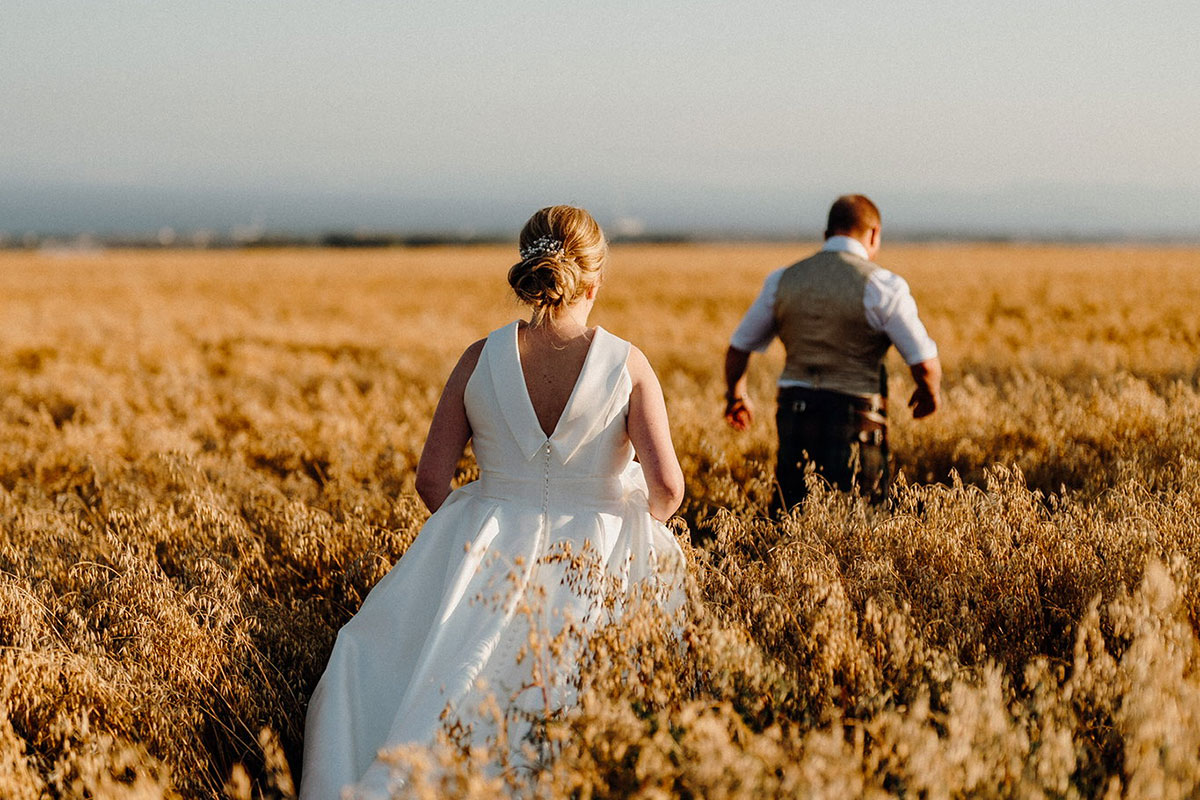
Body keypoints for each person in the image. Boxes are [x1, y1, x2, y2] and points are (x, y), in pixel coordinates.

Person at [299, 205, 686, 799]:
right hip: (596, 559)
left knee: (434, 684)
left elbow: (432, 479)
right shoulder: (627, 364)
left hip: (487, 548)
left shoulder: (480, 358)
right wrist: (629, 526)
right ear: (595, 276)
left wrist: (481, 524)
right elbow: (667, 490)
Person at [723, 194, 941, 508]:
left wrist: (736, 395)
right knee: (862, 517)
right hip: (856, 419)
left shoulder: (783, 280)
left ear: (826, 235)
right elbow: (924, 365)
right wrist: (929, 393)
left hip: (793, 414)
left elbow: (739, 348)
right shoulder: (882, 285)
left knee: (790, 513)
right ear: (874, 233)